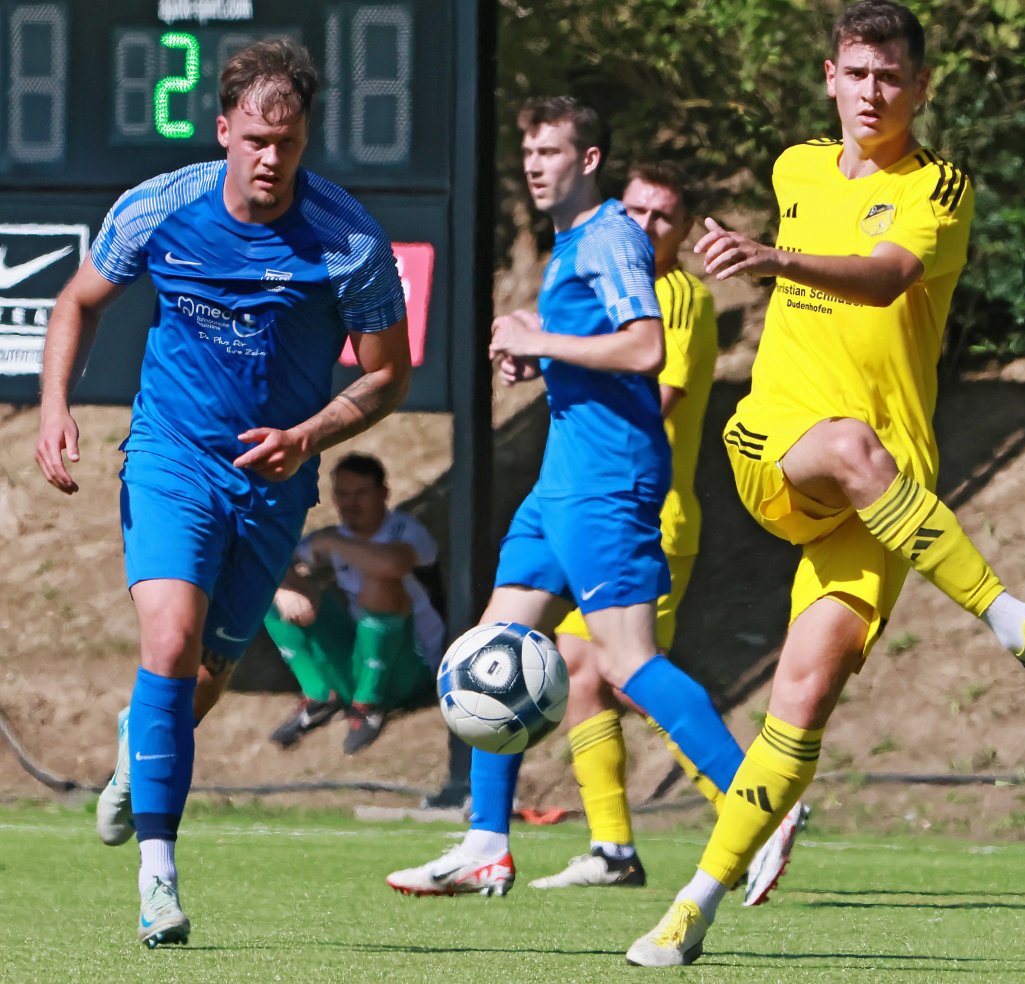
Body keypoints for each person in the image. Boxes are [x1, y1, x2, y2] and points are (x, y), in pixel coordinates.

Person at [626, 1, 1025, 966]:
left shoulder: (940, 185)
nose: (872, 92)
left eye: (891, 77)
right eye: (856, 74)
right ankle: (1015, 622)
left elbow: (887, 276)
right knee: (851, 442)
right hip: (779, 445)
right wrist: (766, 255)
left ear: (921, 87)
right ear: (829, 77)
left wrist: (769, 257)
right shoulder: (796, 166)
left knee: (803, 702)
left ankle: (690, 906)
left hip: (886, 489)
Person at [34, 39, 412, 948]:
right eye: (254, 139)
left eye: (287, 139)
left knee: (204, 674)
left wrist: (310, 435)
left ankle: (141, 747)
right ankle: (158, 876)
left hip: (274, 483)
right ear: (224, 132)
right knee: (168, 643)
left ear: (305, 136)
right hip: (171, 457)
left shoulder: (349, 240)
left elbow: (390, 375)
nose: (271, 158)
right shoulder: (162, 206)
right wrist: (55, 407)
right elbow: (78, 300)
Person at [386, 97, 750, 898]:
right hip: (561, 482)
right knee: (493, 645)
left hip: (607, 479)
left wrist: (540, 340)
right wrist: (538, 356)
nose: (534, 165)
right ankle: (487, 842)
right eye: (528, 153)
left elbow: (647, 346)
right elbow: (592, 355)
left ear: (588, 161)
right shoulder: (572, 244)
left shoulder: (613, 235)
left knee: (626, 661)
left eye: (549, 152)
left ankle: (757, 810)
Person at [529, 162, 808, 894]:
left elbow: (654, 400)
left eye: (665, 216)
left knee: (626, 675)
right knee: (585, 672)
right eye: (638, 210)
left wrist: (556, 361)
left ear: (685, 232)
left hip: (646, 514)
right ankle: (614, 848)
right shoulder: (608, 287)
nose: (648, 225)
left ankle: (755, 805)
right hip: (599, 508)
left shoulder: (674, 297)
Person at [265, 452, 444, 755]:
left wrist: (334, 543)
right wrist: (284, 589)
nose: (351, 504)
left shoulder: (405, 530)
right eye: (343, 494)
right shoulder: (336, 535)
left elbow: (391, 565)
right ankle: (319, 695)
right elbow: (272, 564)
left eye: (361, 493)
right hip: (363, 652)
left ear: (383, 494)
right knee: (269, 590)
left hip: (414, 663)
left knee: (377, 583)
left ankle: (368, 705)